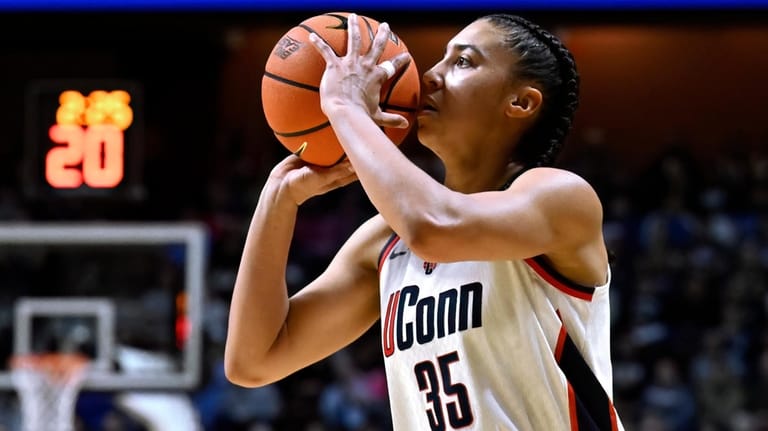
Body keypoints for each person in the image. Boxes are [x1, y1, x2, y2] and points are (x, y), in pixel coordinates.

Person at [226, 12, 625, 430]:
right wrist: (279, 197)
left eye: (464, 62)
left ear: (520, 102)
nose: (431, 76)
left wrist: (345, 106)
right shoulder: (385, 241)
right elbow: (254, 360)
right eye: (440, 59)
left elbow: (434, 227)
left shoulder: (560, 198)